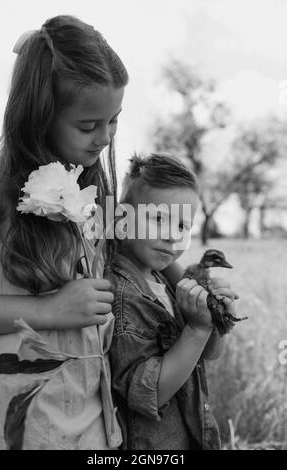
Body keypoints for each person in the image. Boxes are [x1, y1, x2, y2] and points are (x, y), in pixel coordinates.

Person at [0, 15, 128, 450]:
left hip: (92, 422)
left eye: (114, 121)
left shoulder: (90, 191)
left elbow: (137, 240)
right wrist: (49, 309)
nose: (104, 138)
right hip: (24, 423)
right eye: (88, 126)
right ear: (39, 115)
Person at [108, 153, 237, 450]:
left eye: (182, 226)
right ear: (122, 220)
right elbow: (149, 394)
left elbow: (209, 355)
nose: (171, 236)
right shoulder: (124, 297)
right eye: (157, 219)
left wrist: (217, 321)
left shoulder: (166, 281)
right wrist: (196, 330)